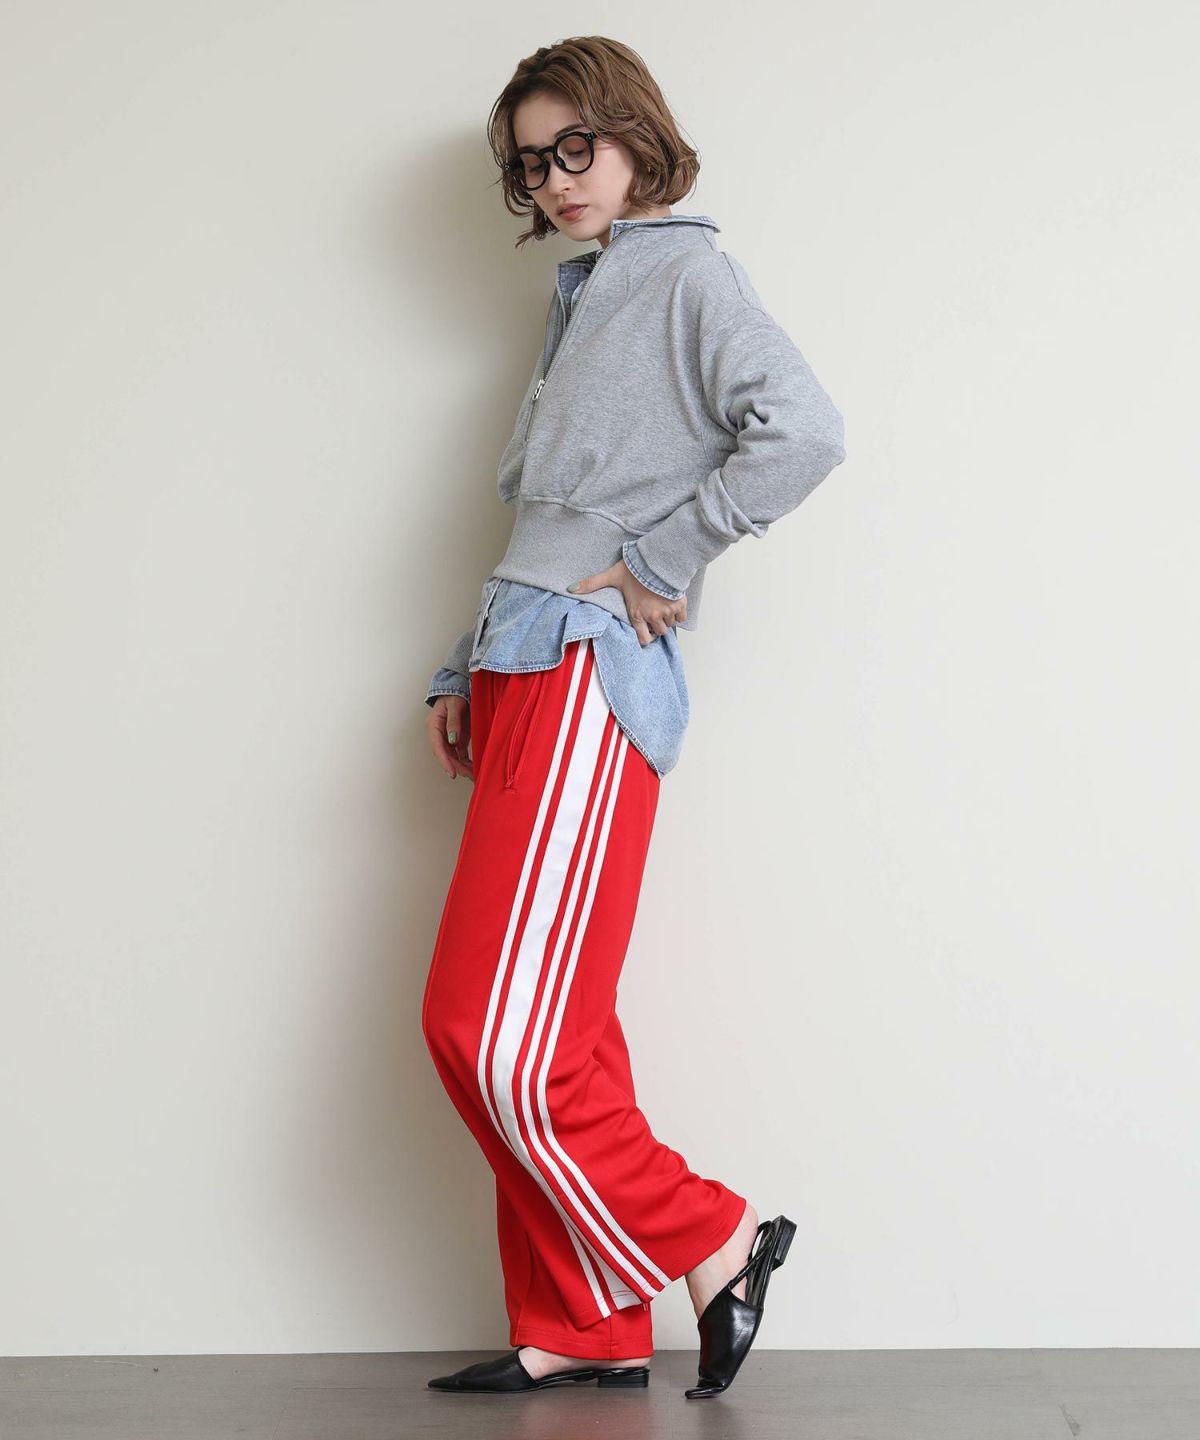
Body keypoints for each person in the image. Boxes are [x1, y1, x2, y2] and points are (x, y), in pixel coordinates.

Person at [420, 35, 844, 1399]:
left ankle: (708, 1234)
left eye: (575, 148)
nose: (554, 181)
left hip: (589, 671)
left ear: (634, 137)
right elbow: (548, 519)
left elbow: (804, 430)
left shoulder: (686, 276)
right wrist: (462, 666)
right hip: (521, 658)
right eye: (530, 164)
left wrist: (667, 559)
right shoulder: (588, 289)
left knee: (491, 1032)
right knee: (564, 1032)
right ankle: (586, 1321)